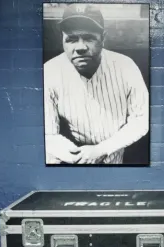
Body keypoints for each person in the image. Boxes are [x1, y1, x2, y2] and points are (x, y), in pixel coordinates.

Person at [44, 4, 149, 164]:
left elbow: (142, 119)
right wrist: (79, 157)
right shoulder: (50, 70)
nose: (80, 47)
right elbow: (48, 133)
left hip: (114, 158)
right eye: (71, 39)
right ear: (62, 40)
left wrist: (102, 149)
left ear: (103, 38)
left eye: (89, 38)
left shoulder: (125, 66)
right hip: (69, 159)